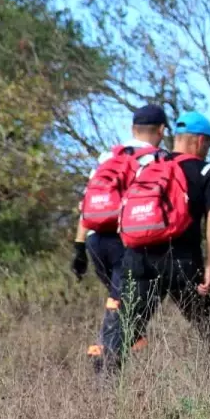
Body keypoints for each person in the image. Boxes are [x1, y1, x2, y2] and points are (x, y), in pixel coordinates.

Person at [89, 111, 210, 373]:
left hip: (138, 257)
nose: (208, 150)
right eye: (209, 145)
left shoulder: (147, 164)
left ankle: (104, 388)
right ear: (200, 141)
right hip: (183, 262)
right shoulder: (207, 171)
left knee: (125, 327)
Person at [71, 104, 167, 300]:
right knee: (126, 311)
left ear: (133, 129)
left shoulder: (107, 158)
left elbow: (87, 203)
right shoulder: (157, 159)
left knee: (122, 304)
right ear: (162, 130)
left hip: (95, 241)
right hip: (127, 242)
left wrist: (79, 248)